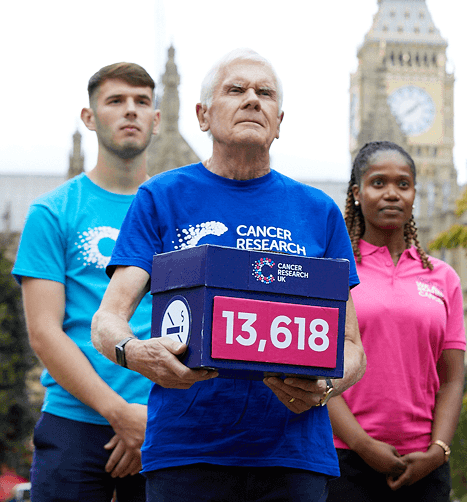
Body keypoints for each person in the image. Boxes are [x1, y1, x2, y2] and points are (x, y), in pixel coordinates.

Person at [90, 48, 365, 502]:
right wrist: (135, 352)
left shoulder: (319, 212)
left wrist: (325, 387)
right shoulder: (161, 197)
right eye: (236, 90)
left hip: (293, 458)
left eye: (265, 93)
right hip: (187, 455)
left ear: (279, 120)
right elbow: (106, 322)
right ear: (201, 115)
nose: (253, 100)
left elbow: (352, 348)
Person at [14, 62, 160, 502]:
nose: (130, 111)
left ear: (157, 117)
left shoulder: (177, 213)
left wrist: (147, 418)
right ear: (89, 117)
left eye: (142, 102)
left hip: (162, 422)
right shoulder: (53, 211)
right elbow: (43, 332)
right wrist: (119, 413)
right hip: (75, 421)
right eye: (116, 101)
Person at [326, 141, 465, 501]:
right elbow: (319, 373)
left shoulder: (444, 277)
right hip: (345, 460)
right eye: (378, 183)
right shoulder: (334, 272)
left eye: (403, 184)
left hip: (425, 466)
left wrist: (438, 450)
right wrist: (362, 444)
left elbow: (451, 378)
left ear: (415, 193)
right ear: (357, 193)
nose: (392, 193)